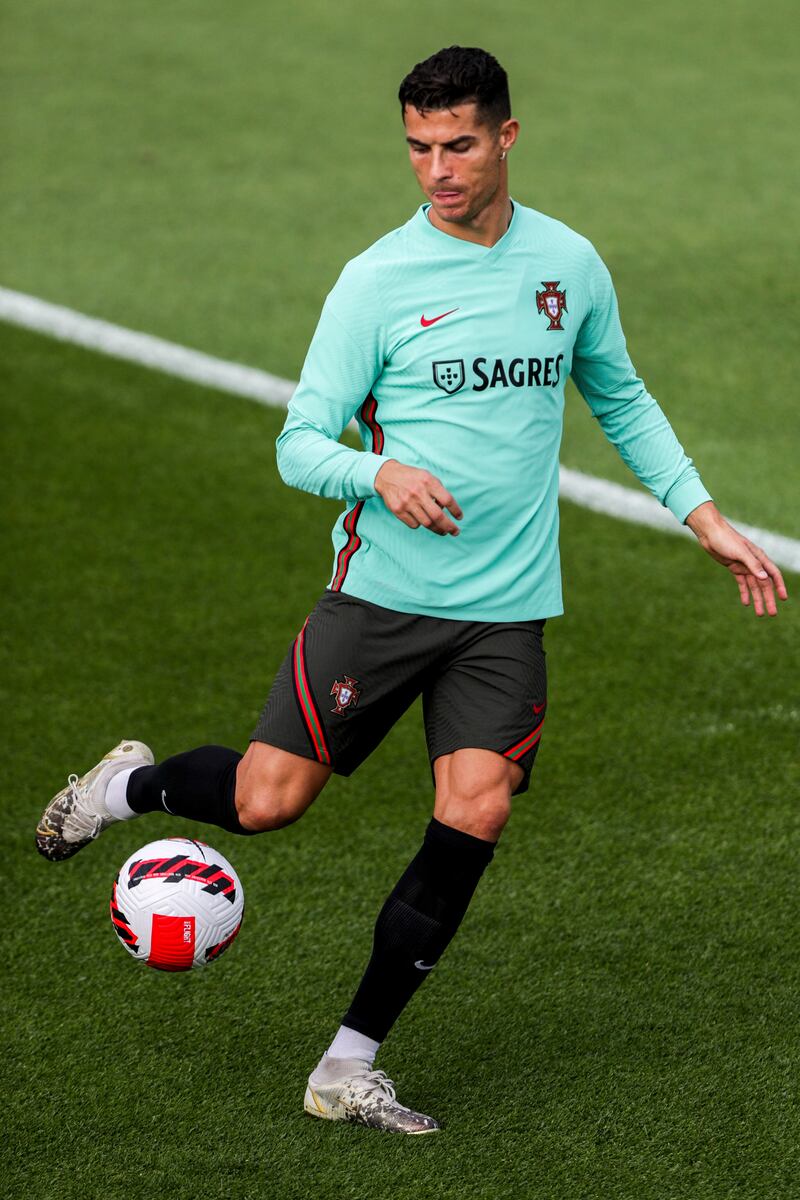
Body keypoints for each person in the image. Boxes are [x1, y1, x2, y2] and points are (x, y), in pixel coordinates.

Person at [36, 45, 787, 1135]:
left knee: (471, 809)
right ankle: (127, 790)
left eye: (458, 145)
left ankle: (346, 1065)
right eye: (417, 147)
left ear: (506, 138)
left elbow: (616, 393)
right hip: (381, 598)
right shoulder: (376, 281)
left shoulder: (566, 265)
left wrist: (702, 513)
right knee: (264, 803)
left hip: (504, 611)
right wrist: (375, 470)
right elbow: (300, 441)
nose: (436, 169)